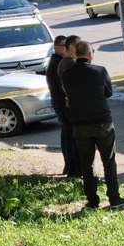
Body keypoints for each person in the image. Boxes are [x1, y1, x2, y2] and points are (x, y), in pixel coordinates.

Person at [62, 40, 124, 210]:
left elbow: (68, 94)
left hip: (80, 124)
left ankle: (92, 201)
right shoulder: (100, 71)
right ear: (90, 54)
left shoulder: (67, 74)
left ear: (76, 54)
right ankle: (114, 199)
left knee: (87, 164)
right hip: (102, 122)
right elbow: (109, 92)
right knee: (109, 162)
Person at [46, 35, 78, 176]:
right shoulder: (58, 63)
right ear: (57, 47)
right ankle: (71, 167)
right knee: (69, 136)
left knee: (67, 135)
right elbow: (64, 88)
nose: (67, 48)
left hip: (60, 104)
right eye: (65, 46)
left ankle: (69, 166)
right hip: (63, 105)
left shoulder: (57, 61)